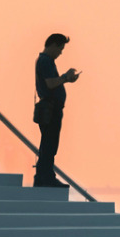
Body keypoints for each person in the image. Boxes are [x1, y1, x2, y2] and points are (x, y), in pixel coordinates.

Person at [33, 34, 80, 188]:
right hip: (50, 108)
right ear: (53, 45)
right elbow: (50, 84)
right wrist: (65, 78)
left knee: (50, 144)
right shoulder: (45, 61)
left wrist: (66, 79)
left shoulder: (47, 61)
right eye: (60, 48)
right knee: (49, 144)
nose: (60, 53)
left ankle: (44, 176)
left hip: (52, 108)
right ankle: (45, 177)